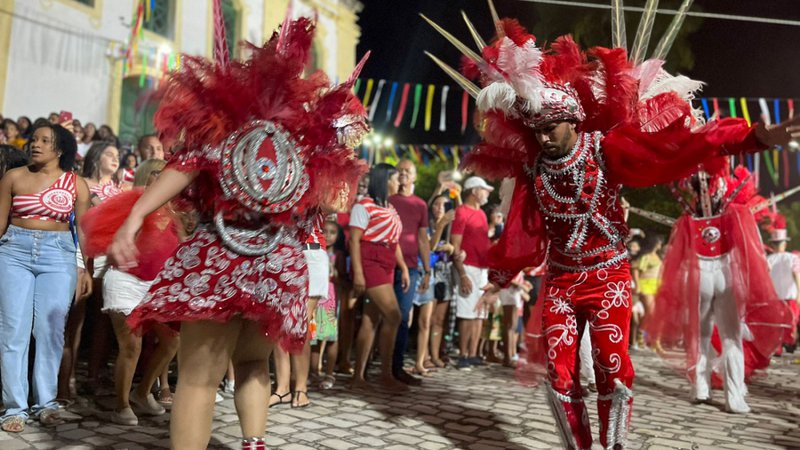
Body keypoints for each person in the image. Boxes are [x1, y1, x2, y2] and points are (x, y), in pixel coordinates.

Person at [426, 11, 800, 448]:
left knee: (611, 365)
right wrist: (498, 278)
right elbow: (522, 231)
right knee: (560, 374)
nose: (545, 137)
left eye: (552, 128)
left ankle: (614, 445)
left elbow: (680, 148)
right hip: (562, 281)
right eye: (538, 130)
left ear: (571, 121)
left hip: (609, 279)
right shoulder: (533, 170)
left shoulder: (605, 149)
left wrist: (753, 137)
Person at [107, 15, 367, 449]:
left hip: (221, 257)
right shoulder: (306, 138)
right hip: (278, 262)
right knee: (251, 364)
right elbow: (323, 207)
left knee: (197, 377)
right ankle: (253, 444)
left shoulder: (227, 122)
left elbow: (184, 168)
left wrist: (134, 218)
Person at [651, 165, 791, 414]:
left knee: (700, 334)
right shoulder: (735, 213)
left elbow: (679, 256)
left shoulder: (687, 218)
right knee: (731, 337)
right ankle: (734, 397)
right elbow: (749, 249)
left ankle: (700, 389)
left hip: (698, 274)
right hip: (725, 270)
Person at [0, 122, 93, 432]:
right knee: (13, 332)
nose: (35, 144)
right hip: (13, 253)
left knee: (50, 331)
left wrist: (83, 268)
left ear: (60, 149)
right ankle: (15, 407)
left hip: (59, 256)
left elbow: (83, 231)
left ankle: (46, 403)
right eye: (34, 139)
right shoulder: (13, 177)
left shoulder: (75, 184)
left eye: (44, 140)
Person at [81, 159, 180, 426]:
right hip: (125, 280)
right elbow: (97, 231)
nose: (163, 179)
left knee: (172, 343)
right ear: (147, 177)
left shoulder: (178, 213)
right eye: (157, 174)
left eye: (167, 175)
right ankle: (122, 405)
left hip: (158, 287)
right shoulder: (131, 205)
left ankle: (142, 392)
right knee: (131, 346)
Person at [349, 163, 410, 391]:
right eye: (395, 179)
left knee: (370, 319)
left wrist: (402, 267)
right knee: (394, 315)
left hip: (387, 261)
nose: (399, 183)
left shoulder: (390, 208)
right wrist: (358, 273)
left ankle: (359, 378)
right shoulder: (364, 205)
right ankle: (385, 374)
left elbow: (394, 241)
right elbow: (354, 240)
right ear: (384, 181)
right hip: (370, 260)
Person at [388, 159, 431, 385]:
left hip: (412, 267)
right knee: (385, 316)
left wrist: (427, 269)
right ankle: (382, 365)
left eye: (408, 171)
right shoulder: (388, 200)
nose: (403, 174)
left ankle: (396, 367)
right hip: (386, 265)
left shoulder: (420, 205)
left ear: (414, 177)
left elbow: (423, 239)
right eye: (400, 170)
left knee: (403, 317)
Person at [450, 176, 493, 370]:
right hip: (468, 267)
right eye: (484, 190)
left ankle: (474, 353)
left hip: (483, 268)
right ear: (474, 191)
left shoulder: (482, 214)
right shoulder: (461, 212)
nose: (486, 193)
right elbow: (456, 245)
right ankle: (463, 354)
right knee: (467, 312)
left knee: (479, 313)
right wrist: (463, 274)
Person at [427, 194, 456, 368]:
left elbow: (457, 248)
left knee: (439, 319)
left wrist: (452, 248)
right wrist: (441, 225)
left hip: (445, 274)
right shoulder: (428, 225)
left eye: (443, 205)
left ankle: (435, 354)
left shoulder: (451, 227)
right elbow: (430, 246)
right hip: (430, 274)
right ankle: (423, 356)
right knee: (427, 319)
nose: (439, 208)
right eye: (436, 204)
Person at [766, 217, 800, 352]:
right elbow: (797, 275)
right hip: (790, 296)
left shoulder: (768, 260)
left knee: (776, 323)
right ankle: (790, 342)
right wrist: (799, 293)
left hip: (774, 298)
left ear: (773, 244)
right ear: (784, 243)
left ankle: (778, 347)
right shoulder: (793, 258)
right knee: (791, 321)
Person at [632, 234, 664, 352]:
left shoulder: (657, 256)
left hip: (656, 285)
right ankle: (641, 335)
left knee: (656, 314)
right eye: (659, 242)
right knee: (651, 312)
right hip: (645, 285)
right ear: (655, 243)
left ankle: (654, 340)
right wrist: (638, 286)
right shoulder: (645, 256)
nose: (660, 244)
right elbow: (635, 269)